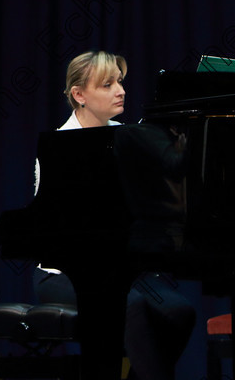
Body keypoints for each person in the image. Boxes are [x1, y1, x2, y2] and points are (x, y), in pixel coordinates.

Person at [33, 50, 195, 380]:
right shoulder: (58, 147)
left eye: (120, 82)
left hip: (126, 268)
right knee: (129, 307)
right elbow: (52, 231)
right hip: (64, 273)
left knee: (180, 312)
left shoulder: (130, 136)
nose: (120, 90)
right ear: (79, 95)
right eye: (107, 85)